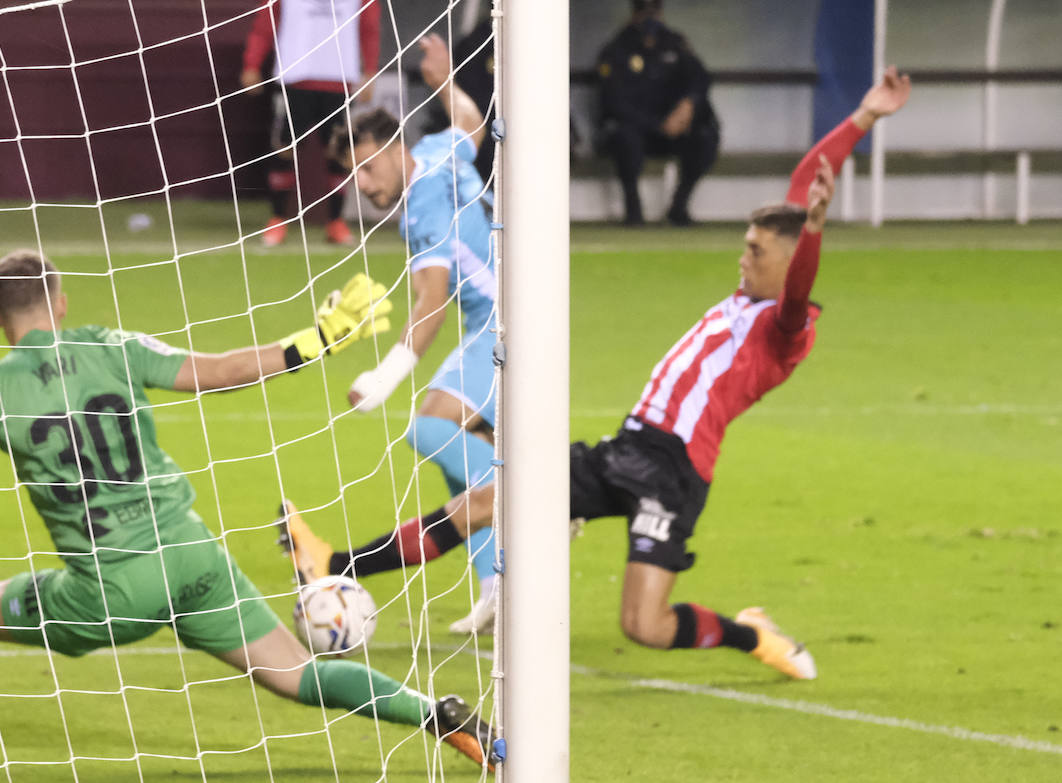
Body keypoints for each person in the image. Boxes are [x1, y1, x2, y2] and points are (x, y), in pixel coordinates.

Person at [288, 68, 913, 679]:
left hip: (674, 472)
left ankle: (753, 634)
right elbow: (805, 185)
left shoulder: (786, 326)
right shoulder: (752, 295)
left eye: (755, 251)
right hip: (629, 444)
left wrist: (819, 232)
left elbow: (802, 272)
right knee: (481, 503)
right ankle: (338, 563)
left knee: (644, 626)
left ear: (788, 263)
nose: (742, 258)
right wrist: (863, 118)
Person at [0, 253, 493, 767]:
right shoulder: (112, 345)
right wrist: (320, 338)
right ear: (59, 301)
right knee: (297, 673)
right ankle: (436, 714)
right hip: (193, 554)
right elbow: (219, 372)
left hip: (111, 589)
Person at [301, 34, 498, 635]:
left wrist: (382, 378)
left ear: (391, 148)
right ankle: (497, 589)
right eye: (350, 175)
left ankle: (537, 500)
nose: (360, 184)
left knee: (433, 427)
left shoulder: (420, 210)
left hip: (502, 325)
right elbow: (472, 123)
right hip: (500, 320)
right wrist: (443, 82)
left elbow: (430, 304)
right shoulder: (438, 150)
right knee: (456, 455)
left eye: (365, 167)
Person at [240, 0, 379, 247]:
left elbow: (369, 27)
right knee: (284, 147)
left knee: (339, 152)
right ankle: (277, 219)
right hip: (293, 77)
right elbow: (265, 24)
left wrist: (370, 70)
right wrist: (252, 63)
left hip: (339, 79)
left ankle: (335, 221)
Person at [595, 0, 719, 226]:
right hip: (638, 129)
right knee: (624, 136)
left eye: (655, 10)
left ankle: (678, 208)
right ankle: (633, 210)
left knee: (705, 136)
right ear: (634, 14)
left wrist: (688, 105)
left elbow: (700, 79)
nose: (650, 16)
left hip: (673, 130)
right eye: (644, 10)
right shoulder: (617, 48)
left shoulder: (675, 44)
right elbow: (614, 102)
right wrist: (656, 124)